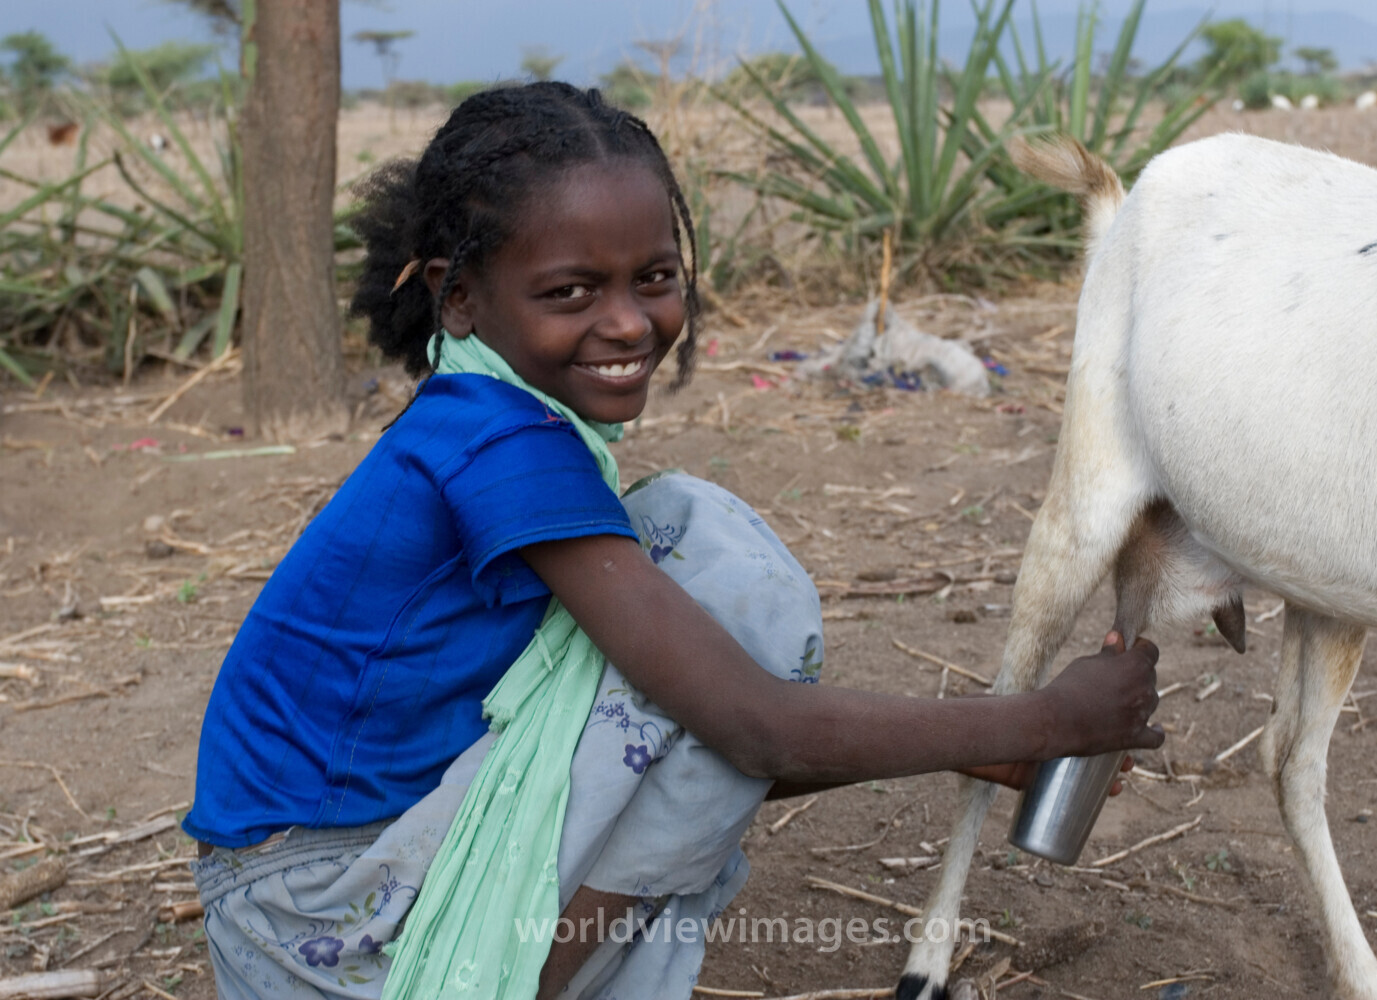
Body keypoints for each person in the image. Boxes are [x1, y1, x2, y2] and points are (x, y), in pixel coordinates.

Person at [183, 82, 1163, 1000]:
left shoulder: (497, 422)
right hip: (311, 913)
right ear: (460, 296)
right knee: (715, 564)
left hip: (315, 880)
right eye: (571, 291)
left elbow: (702, 746)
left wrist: (977, 749)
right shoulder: (494, 442)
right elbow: (751, 724)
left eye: (653, 278)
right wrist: (1045, 722)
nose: (627, 321)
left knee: (692, 572)